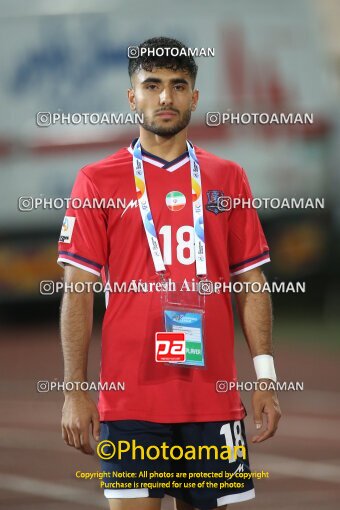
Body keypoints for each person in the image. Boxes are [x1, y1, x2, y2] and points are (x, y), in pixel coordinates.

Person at [58, 36, 281, 510]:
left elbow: (252, 283)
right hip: (130, 404)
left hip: (213, 402)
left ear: (194, 98)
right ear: (132, 96)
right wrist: (74, 391)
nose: (165, 98)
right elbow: (77, 291)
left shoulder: (228, 178)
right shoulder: (97, 180)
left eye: (179, 86)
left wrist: (266, 377)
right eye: (152, 85)